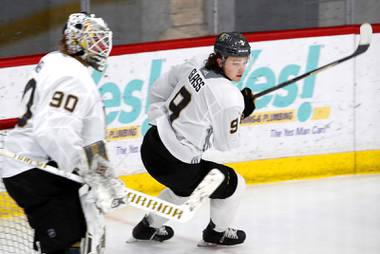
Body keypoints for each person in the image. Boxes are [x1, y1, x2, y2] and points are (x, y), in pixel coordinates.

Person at [1, 13, 125, 254]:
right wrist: (84, 169)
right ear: (76, 42)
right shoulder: (72, 77)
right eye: (95, 40)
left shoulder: (55, 61)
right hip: (37, 171)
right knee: (69, 240)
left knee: (80, 232)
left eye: (103, 40)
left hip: (37, 168)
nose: (102, 46)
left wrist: (101, 170)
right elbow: (53, 131)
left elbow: (85, 130)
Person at [128, 32, 256, 246]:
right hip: (178, 164)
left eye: (244, 62)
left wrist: (158, 119)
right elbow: (225, 144)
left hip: (151, 145)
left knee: (182, 189)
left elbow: (162, 85)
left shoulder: (196, 64)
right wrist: (240, 114)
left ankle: (148, 228)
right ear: (220, 60)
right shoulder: (230, 97)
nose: (241, 69)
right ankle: (217, 233)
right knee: (234, 184)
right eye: (235, 63)